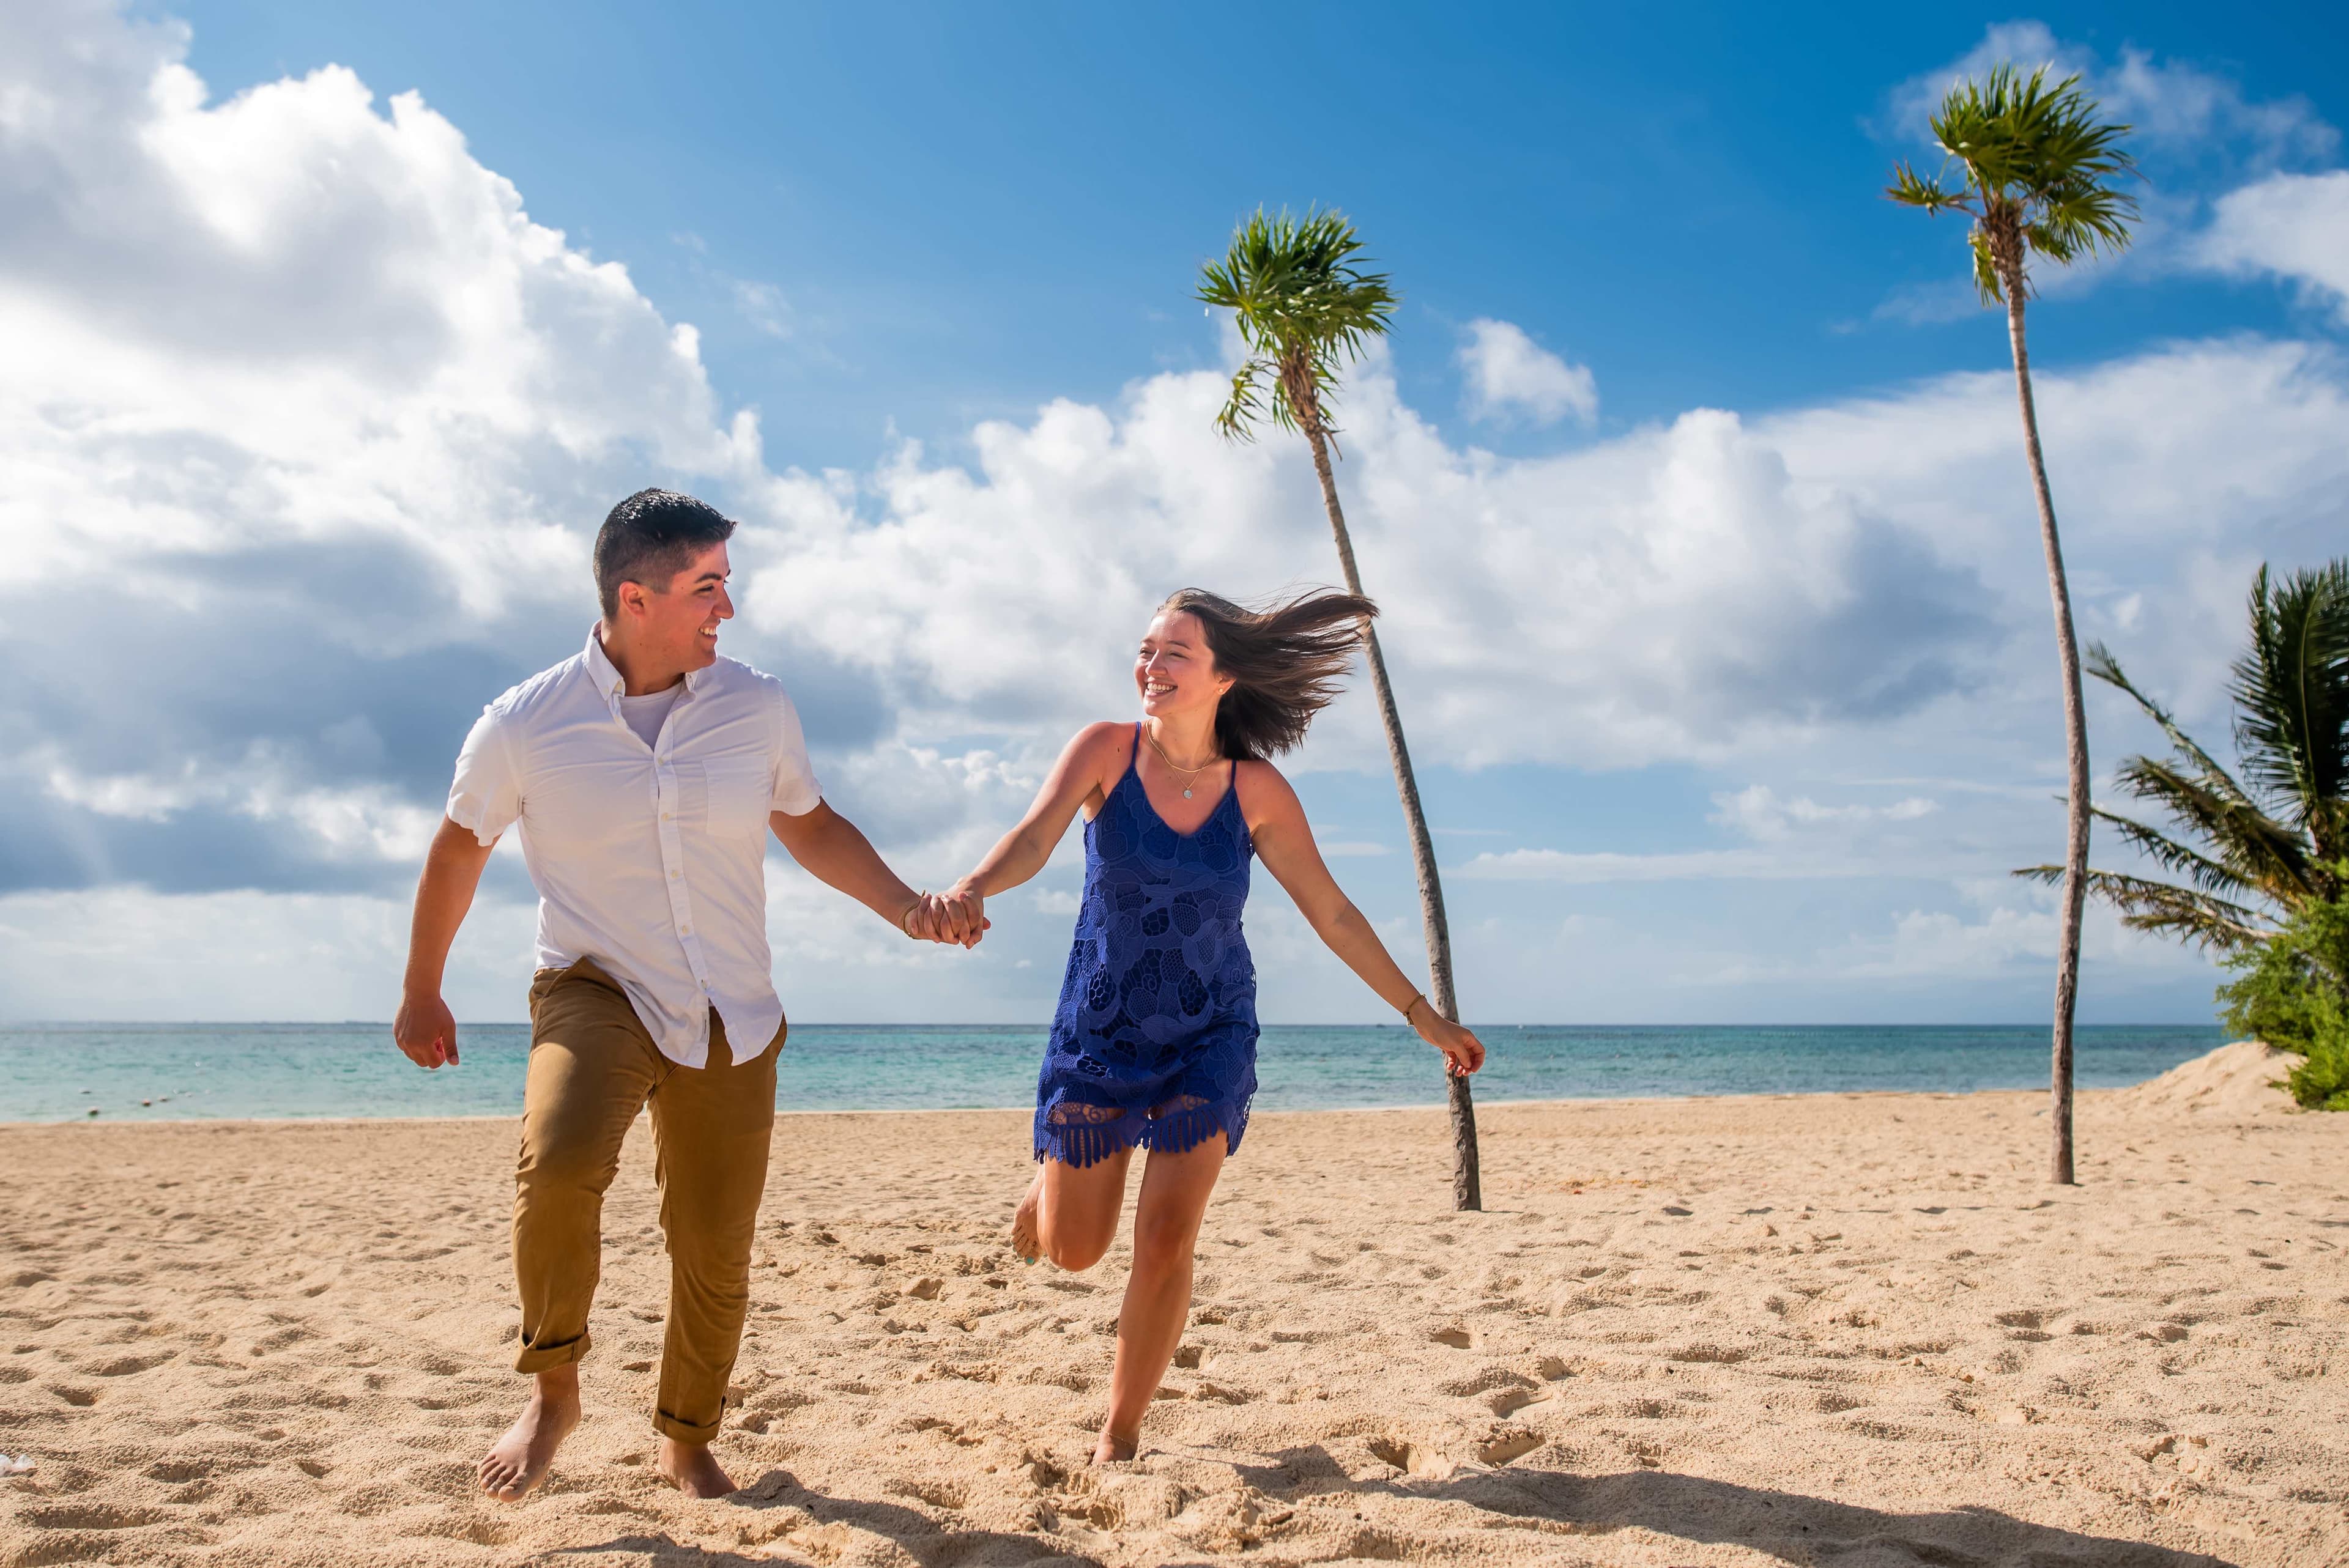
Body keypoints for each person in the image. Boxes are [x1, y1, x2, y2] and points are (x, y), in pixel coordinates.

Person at [392, 489, 974, 1501]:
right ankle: (553, 1392)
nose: (727, 610)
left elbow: (811, 822)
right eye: (708, 588)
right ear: (636, 596)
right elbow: (459, 845)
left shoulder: (758, 705)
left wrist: (907, 907)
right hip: (594, 984)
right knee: (560, 1162)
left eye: (727, 587)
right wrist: (421, 991)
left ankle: (687, 1438)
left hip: (731, 1004)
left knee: (713, 1241)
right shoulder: (524, 724)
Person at [935, 586, 1486, 1464]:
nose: (1151, 668)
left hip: (1210, 1032)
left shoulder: (1258, 791)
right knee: (1075, 1253)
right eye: (1147, 650)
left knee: (1166, 1237)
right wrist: (971, 889)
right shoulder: (1105, 753)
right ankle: (1048, 1189)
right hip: (1102, 1030)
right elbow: (1034, 840)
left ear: (1224, 675)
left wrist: (1420, 1013)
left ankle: (1119, 1433)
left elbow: (1332, 912)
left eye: (1174, 654)